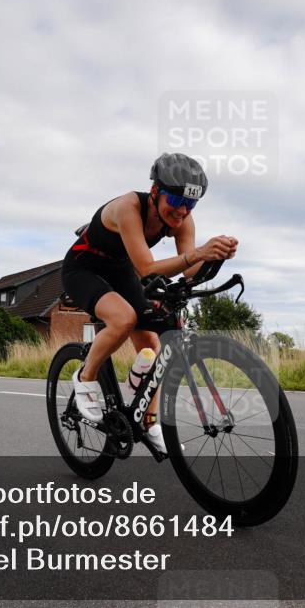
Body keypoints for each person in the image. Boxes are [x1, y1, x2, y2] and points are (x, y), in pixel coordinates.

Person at [60, 153, 237, 453]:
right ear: (155, 192)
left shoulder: (182, 219)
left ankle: (147, 418)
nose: (182, 211)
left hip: (121, 270)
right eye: (176, 200)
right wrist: (197, 254)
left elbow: (189, 268)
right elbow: (147, 268)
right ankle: (85, 376)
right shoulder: (129, 207)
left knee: (153, 346)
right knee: (123, 318)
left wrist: (213, 257)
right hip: (84, 268)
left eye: (190, 204)